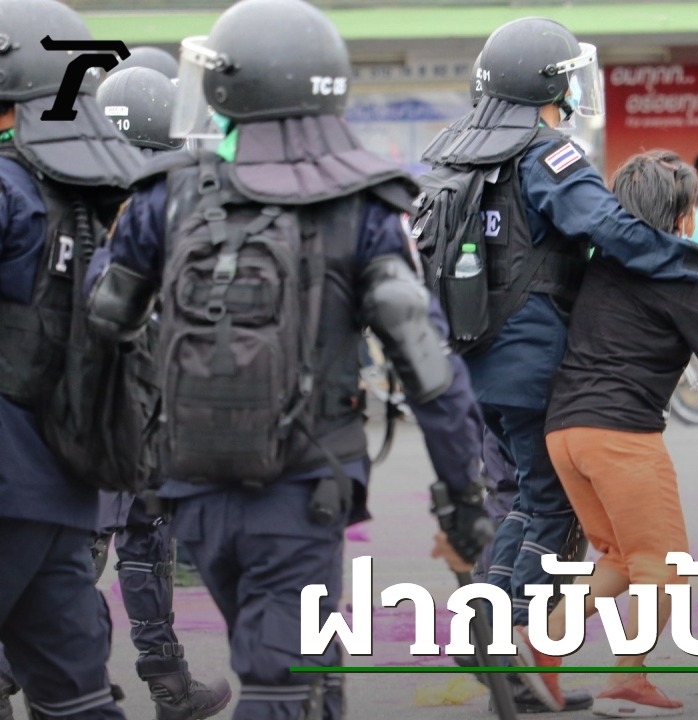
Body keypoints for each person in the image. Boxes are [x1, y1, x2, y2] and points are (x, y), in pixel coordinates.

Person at [86, 0, 489, 715]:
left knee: (300, 661)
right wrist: (462, 496)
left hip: (191, 488)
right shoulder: (362, 205)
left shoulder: (167, 196)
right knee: (281, 680)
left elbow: (103, 323)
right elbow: (426, 365)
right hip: (302, 491)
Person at [419, 16, 698, 713]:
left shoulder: (456, 155)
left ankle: (500, 649)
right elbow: (609, 227)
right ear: (545, 87)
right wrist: (689, 259)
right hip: (533, 367)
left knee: (529, 502)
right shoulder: (543, 154)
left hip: (474, 366)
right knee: (552, 515)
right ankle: (502, 638)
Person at [516, 149, 698, 717]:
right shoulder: (675, 271)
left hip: (566, 432)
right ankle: (625, 678)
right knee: (664, 565)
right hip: (619, 433)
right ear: (680, 215)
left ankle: (540, 643)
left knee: (623, 556)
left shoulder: (606, 260)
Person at [0, 0, 145, 717]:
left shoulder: (8, 189)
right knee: (76, 699)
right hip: (63, 483)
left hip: (5, 478)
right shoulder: (86, 198)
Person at [88, 64, 233, 719]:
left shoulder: (70, 193)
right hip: (143, 407)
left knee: (73, 555)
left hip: (85, 410)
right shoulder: (173, 204)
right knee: (135, 547)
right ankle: (167, 686)